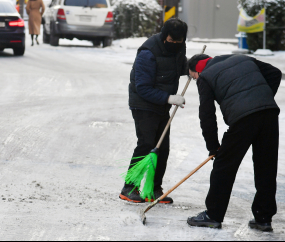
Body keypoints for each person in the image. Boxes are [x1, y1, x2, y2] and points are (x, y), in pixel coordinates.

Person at [186, 54, 282, 231]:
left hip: (243, 118)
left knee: (224, 166)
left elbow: (207, 116)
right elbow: (275, 73)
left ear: (198, 71)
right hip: (269, 113)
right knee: (266, 166)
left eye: (193, 77)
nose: (195, 80)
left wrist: (213, 147)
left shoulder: (205, 77)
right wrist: (262, 97)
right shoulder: (241, 58)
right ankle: (263, 217)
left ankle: (213, 215)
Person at [119, 18, 188, 204]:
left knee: (162, 148)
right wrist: (169, 98)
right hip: (143, 103)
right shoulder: (148, 52)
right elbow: (142, 87)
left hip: (161, 105)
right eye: (171, 41)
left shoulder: (180, 46)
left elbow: (180, 66)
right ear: (165, 35)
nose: (174, 45)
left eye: (178, 42)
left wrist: (193, 68)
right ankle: (130, 187)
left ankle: (153, 189)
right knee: (147, 144)